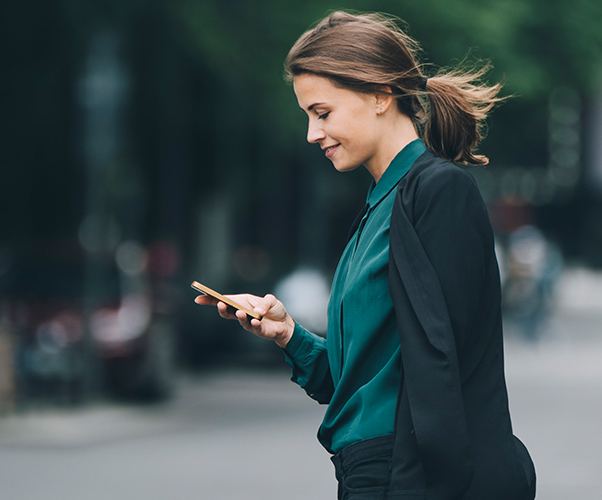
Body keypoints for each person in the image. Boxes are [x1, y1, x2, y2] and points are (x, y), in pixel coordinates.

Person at [194, 11, 535, 499]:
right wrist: (288, 334)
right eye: (308, 116)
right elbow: (353, 382)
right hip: (369, 471)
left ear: (380, 96)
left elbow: (447, 368)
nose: (312, 133)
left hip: (411, 474)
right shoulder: (378, 209)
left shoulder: (438, 192)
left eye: (323, 112)